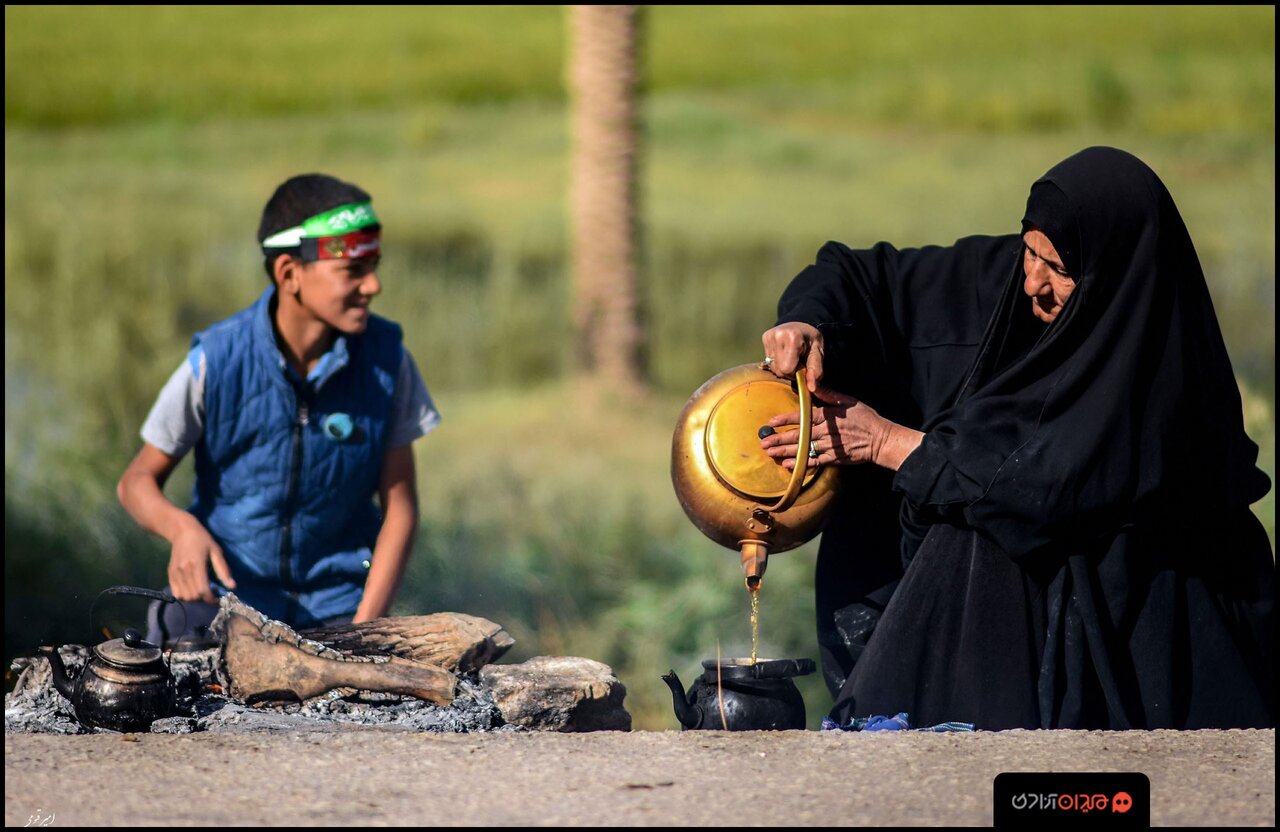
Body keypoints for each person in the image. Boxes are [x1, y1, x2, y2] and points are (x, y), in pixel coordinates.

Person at [758, 146, 1275, 730]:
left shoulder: (1160, 373)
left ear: (1111, 279)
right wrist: (809, 323)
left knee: (981, 524)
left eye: (1058, 270)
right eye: (1029, 251)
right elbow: (858, 275)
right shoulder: (1012, 285)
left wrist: (884, 442)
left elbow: (1034, 488)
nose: (1032, 283)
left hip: (1142, 643)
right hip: (1026, 623)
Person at [117, 174, 441, 644]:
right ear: (289, 273)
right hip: (221, 602)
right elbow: (135, 483)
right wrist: (182, 529)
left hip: (341, 607)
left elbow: (401, 508)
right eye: (353, 270)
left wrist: (363, 630)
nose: (374, 285)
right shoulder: (216, 360)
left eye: (375, 266)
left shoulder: (389, 363)